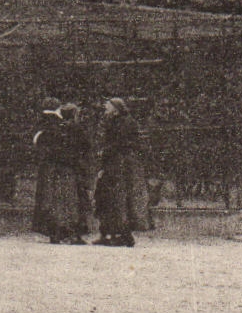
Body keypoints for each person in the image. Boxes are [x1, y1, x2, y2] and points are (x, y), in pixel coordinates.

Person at [94, 97, 153, 247]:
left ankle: (122, 234)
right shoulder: (113, 121)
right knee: (108, 198)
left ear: (115, 108)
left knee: (119, 200)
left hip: (120, 165)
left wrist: (105, 152)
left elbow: (120, 143)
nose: (105, 108)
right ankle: (109, 233)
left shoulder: (125, 122)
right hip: (113, 164)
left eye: (108, 106)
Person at [32, 99, 93, 245]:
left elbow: (38, 142)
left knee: (53, 200)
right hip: (67, 168)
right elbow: (85, 146)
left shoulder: (43, 125)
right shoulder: (69, 127)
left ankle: (56, 232)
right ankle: (68, 232)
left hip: (51, 168)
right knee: (68, 200)